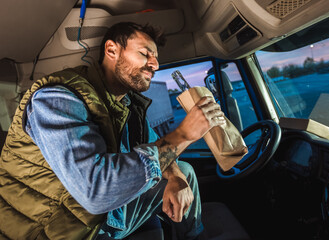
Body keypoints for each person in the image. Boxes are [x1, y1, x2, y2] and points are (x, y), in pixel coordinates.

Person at [0, 22, 225, 239]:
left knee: (184, 171)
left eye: (156, 57)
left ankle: (195, 236)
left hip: (97, 218)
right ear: (111, 50)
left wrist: (175, 177)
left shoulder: (125, 104)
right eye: (146, 54)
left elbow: (156, 144)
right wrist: (184, 134)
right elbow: (96, 193)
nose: (155, 65)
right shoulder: (56, 99)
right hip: (58, 230)